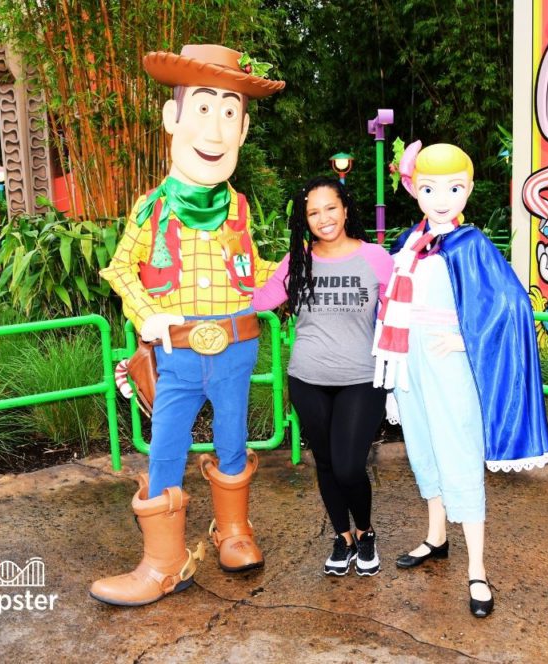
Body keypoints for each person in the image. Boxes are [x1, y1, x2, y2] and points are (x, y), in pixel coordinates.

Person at [91, 44, 284, 607]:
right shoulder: (151, 208)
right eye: (204, 110)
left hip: (235, 345)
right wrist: (148, 315)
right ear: (174, 119)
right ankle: (162, 562)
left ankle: (233, 532)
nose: (216, 129)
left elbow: (254, 274)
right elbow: (121, 268)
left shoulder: (240, 209)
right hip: (174, 352)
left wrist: (306, 264)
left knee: (232, 436)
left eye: (229, 114)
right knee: (165, 447)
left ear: (243, 130)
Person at [373, 142, 548, 618]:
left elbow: (512, 304)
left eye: (453, 187)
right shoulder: (407, 244)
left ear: (468, 190)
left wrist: (466, 338)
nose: (442, 197)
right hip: (409, 360)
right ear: (414, 189)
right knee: (424, 448)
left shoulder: (471, 244)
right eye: (430, 187)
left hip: (450, 362)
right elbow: (389, 301)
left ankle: (478, 569)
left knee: (459, 451)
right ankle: (435, 538)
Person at [253, 176, 392, 576]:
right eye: (313, 212)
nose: (323, 218)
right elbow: (260, 299)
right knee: (327, 463)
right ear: (305, 219)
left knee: (349, 466)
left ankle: (365, 533)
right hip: (308, 378)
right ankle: (342, 537)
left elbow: (403, 310)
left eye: (330, 208)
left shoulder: (376, 258)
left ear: (346, 209)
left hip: (361, 379)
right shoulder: (299, 260)